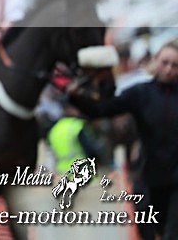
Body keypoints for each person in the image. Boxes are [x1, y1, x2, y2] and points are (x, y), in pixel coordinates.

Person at [69, 39, 178, 240]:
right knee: (148, 231)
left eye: (175, 65)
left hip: (175, 180)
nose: (169, 69)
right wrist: (76, 97)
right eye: (165, 63)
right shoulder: (140, 93)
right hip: (148, 176)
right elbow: (101, 110)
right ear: (155, 61)